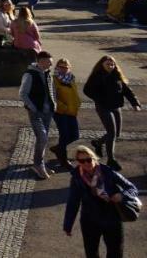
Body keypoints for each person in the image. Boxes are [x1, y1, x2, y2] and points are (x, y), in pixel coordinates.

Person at [63, 144, 138, 258]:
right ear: (78, 162)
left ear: (94, 158)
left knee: (115, 253)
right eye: (82, 161)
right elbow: (73, 202)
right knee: (91, 253)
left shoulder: (107, 171)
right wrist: (68, 225)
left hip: (112, 218)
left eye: (88, 160)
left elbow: (132, 188)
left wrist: (122, 195)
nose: (86, 163)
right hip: (90, 221)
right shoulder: (77, 178)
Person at [84, 56, 142, 172]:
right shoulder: (97, 76)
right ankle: (111, 159)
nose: (110, 66)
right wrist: (99, 99)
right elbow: (87, 90)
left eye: (112, 64)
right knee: (111, 133)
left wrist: (135, 103)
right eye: (108, 64)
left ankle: (98, 143)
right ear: (102, 64)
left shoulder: (117, 76)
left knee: (117, 134)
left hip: (116, 107)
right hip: (103, 108)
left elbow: (127, 91)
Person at [19, 50, 56, 179]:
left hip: (48, 111)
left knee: (42, 140)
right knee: (43, 137)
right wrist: (32, 107)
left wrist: (53, 103)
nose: (50, 65)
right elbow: (23, 93)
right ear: (41, 61)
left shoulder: (47, 73)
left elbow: (51, 89)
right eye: (49, 63)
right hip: (36, 112)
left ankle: (40, 164)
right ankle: (38, 165)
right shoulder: (30, 74)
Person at [54, 57, 81, 170]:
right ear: (57, 67)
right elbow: (53, 97)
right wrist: (63, 107)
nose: (64, 69)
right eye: (61, 67)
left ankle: (58, 149)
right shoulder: (54, 79)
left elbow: (74, 94)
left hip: (72, 111)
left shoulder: (71, 79)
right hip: (60, 112)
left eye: (66, 67)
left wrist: (77, 103)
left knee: (75, 135)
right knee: (64, 135)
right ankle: (63, 160)